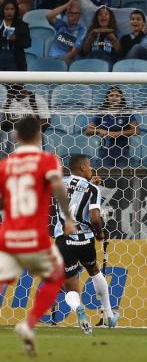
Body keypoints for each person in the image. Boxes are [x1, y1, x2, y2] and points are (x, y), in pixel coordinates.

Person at [0, 116, 74, 356]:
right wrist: (68, 218)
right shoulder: (47, 160)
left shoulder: (6, 165)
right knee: (55, 276)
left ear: (17, 136)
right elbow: (57, 187)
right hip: (34, 237)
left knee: (1, 279)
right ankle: (29, 324)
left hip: (8, 235)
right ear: (39, 135)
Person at [54, 154, 120, 334]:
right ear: (83, 167)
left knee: (70, 287)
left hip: (64, 239)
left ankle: (79, 309)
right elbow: (94, 216)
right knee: (94, 272)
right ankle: (109, 314)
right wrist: (99, 232)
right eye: (90, 166)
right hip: (85, 240)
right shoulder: (92, 189)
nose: (92, 169)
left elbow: (73, 196)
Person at [85, 86, 140, 167]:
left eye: (117, 96)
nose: (114, 98)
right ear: (107, 98)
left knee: (120, 175)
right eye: (111, 95)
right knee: (106, 174)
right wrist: (99, 130)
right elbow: (88, 131)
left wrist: (118, 133)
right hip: (105, 150)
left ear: (121, 98)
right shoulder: (101, 113)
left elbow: (136, 130)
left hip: (122, 150)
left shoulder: (127, 113)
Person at [0, 84, 50, 155]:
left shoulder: (36, 99)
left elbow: (46, 121)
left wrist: (25, 126)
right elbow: (2, 125)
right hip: (13, 149)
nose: (10, 88)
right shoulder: (7, 102)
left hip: (34, 149)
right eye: (9, 86)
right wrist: (10, 123)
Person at [46, 0, 87, 64]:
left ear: (80, 15)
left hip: (65, 62)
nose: (73, 16)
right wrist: (68, 4)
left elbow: (73, 53)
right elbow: (49, 16)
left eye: (76, 13)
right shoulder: (61, 24)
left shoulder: (82, 29)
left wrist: (60, 62)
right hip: (51, 59)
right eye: (71, 13)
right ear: (67, 14)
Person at [0, 0, 30, 71]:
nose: (9, 12)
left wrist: (16, 39)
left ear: (16, 10)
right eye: (6, 9)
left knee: (15, 82)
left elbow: (27, 43)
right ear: (3, 10)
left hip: (15, 59)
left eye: (12, 9)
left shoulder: (23, 25)